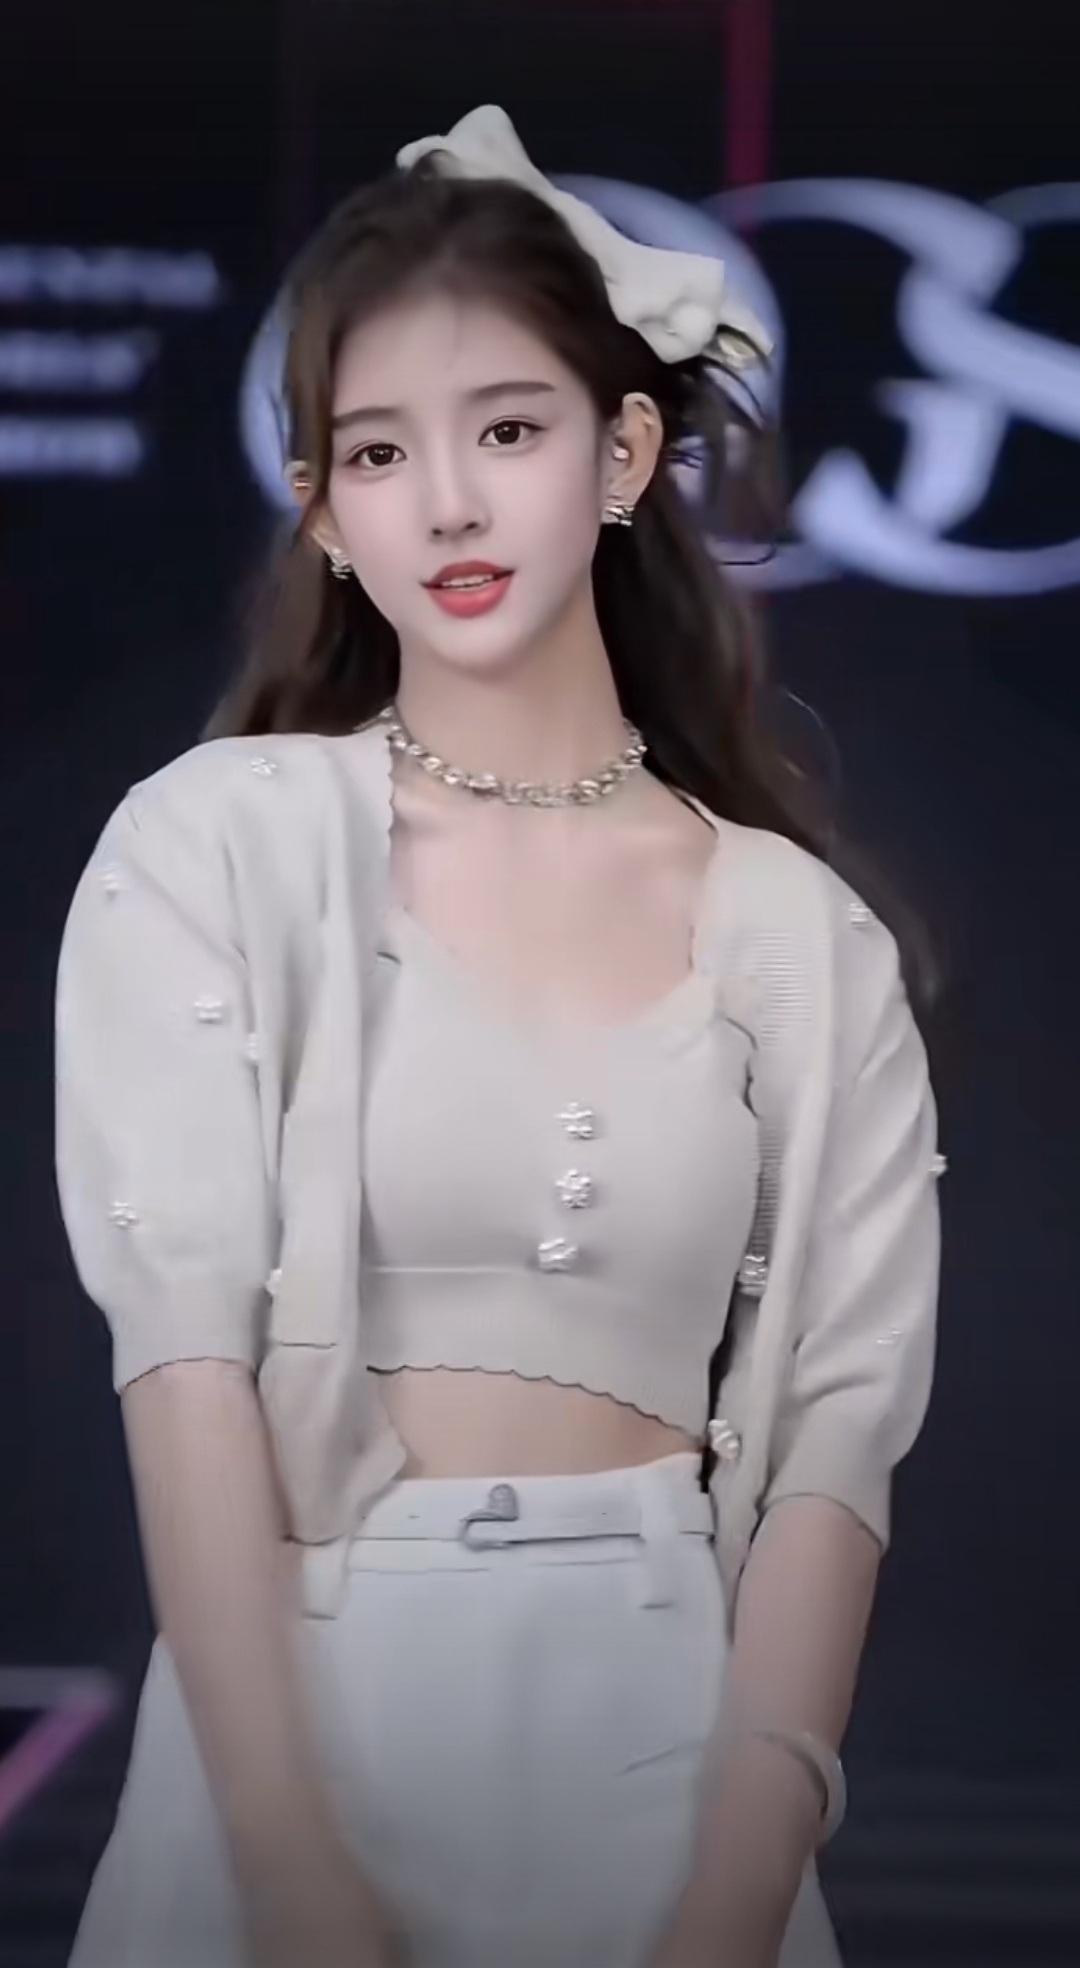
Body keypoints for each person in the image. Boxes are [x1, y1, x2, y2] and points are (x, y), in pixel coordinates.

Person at [54, 104, 941, 1968]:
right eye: (381, 452)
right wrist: (285, 1864)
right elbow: (186, 1360)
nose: (448, 505)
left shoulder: (802, 938)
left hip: (662, 1742)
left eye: (509, 431)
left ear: (624, 454)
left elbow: (834, 1444)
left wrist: (735, 1896)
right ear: (323, 509)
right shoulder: (215, 845)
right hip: (280, 1735)